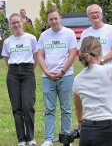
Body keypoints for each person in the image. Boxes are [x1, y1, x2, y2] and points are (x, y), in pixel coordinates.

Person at [36, 7, 78, 146]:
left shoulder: (69, 33)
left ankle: (66, 138)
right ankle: (48, 139)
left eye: (55, 18)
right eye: (51, 19)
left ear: (60, 18)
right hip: (47, 77)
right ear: (48, 21)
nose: (54, 21)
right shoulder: (44, 36)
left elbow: (72, 54)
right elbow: (40, 55)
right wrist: (47, 71)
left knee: (66, 108)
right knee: (49, 109)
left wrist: (62, 71)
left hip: (65, 76)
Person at [73, 36, 112, 146]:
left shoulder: (77, 79)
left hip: (87, 130)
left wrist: (80, 122)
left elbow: (78, 108)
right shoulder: (110, 70)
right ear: (100, 52)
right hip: (109, 129)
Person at [1, 13, 38, 146]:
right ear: (10, 25)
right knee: (16, 108)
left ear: (22, 22)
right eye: (13, 23)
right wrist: (15, 69)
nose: (16, 25)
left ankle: (30, 137)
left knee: (28, 106)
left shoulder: (31, 39)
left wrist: (28, 69)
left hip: (28, 72)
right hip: (13, 74)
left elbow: (36, 57)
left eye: (18, 22)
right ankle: (21, 139)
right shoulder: (7, 41)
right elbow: (6, 59)